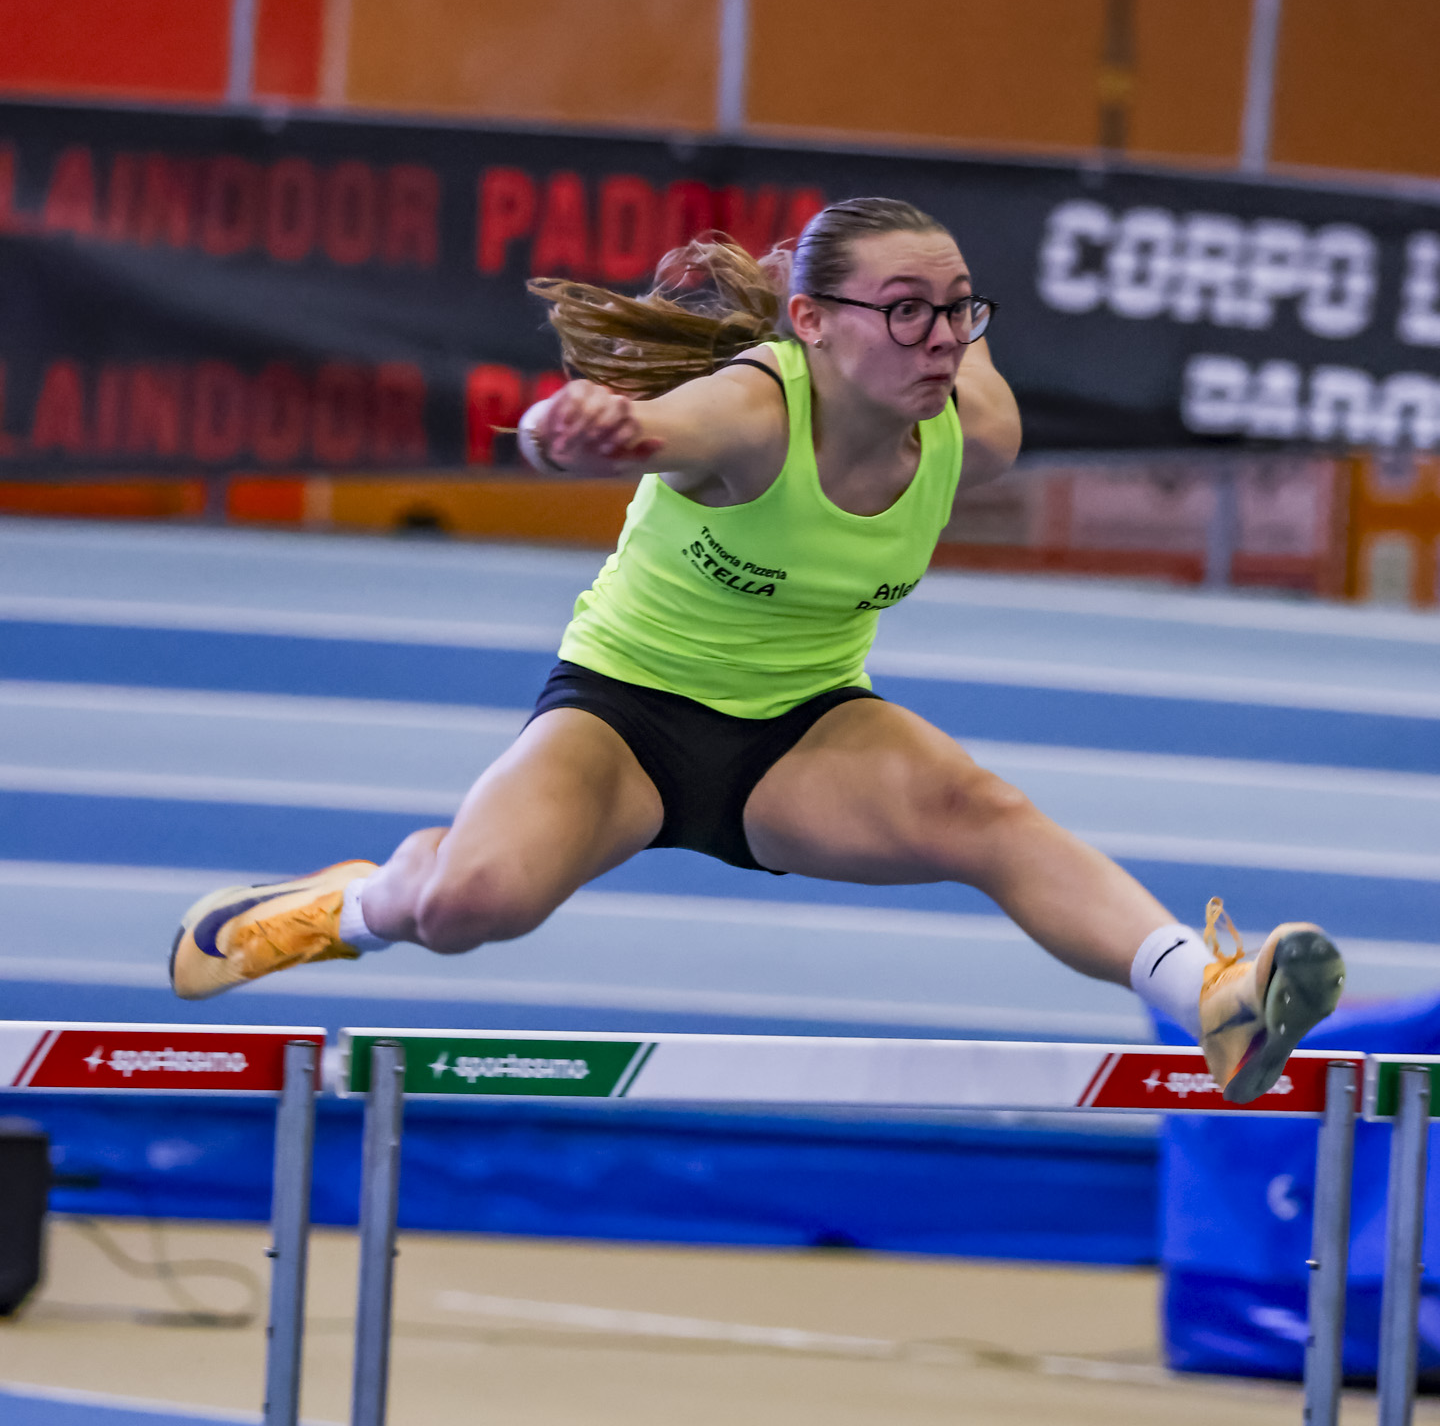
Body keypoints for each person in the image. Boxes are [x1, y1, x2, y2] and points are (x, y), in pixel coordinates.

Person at [170, 196, 1344, 1101]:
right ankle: (334, 906)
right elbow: (618, 430)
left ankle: (1210, 993)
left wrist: (936, 316)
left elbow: (953, 352)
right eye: (905, 309)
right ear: (812, 322)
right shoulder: (752, 410)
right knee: (470, 902)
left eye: (958, 309)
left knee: (983, 811)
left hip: (803, 731)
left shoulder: (974, 429)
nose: (940, 338)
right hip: (622, 718)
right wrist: (575, 430)